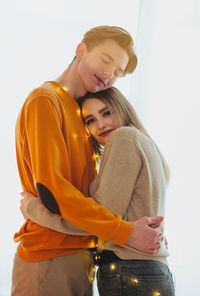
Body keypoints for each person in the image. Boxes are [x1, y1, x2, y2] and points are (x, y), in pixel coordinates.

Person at [12, 26, 164, 296]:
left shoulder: (83, 114)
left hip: (82, 256)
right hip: (49, 256)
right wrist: (124, 231)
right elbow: (54, 192)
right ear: (80, 50)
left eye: (118, 72)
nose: (109, 74)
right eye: (107, 60)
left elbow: (94, 198)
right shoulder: (45, 101)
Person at [20, 86, 175, 295]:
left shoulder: (124, 138)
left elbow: (97, 222)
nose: (100, 125)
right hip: (151, 271)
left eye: (106, 113)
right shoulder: (143, 143)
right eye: (90, 120)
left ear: (121, 108)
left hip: (128, 271)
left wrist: (33, 208)